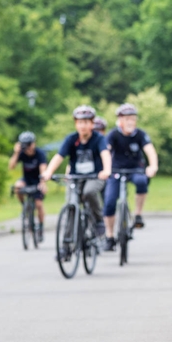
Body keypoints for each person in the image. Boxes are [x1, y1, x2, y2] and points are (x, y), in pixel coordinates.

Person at [41, 105, 111, 250]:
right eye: (80, 122)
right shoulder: (71, 139)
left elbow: (105, 154)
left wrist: (106, 170)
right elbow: (59, 156)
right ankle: (66, 246)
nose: (83, 125)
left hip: (94, 176)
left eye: (86, 122)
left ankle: (98, 221)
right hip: (75, 178)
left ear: (92, 124)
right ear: (75, 124)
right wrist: (48, 172)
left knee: (89, 192)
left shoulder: (98, 139)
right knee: (70, 206)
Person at [102, 103, 159, 249]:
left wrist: (152, 166)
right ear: (120, 120)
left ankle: (138, 214)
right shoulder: (113, 134)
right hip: (115, 170)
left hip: (135, 169)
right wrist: (105, 169)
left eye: (132, 119)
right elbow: (106, 152)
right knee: (109, 202)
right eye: (127, 119)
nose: (130, 122)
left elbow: (150, 151)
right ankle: (109, 236)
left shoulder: (140, 134)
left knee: (142, 181)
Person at [8, 131, 47, 241]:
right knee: (17, 187)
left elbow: (43, 169)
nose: (28, 147)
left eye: (29, 144)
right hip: (26, 180)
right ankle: (24, 206)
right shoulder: (22, 153)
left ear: (34, 143)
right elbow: (11, 167)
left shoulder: (40, 153)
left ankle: (41, 227)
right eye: (25, 144)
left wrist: (43, 183)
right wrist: (16, 153)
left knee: (39, 204)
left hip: (38, 180)